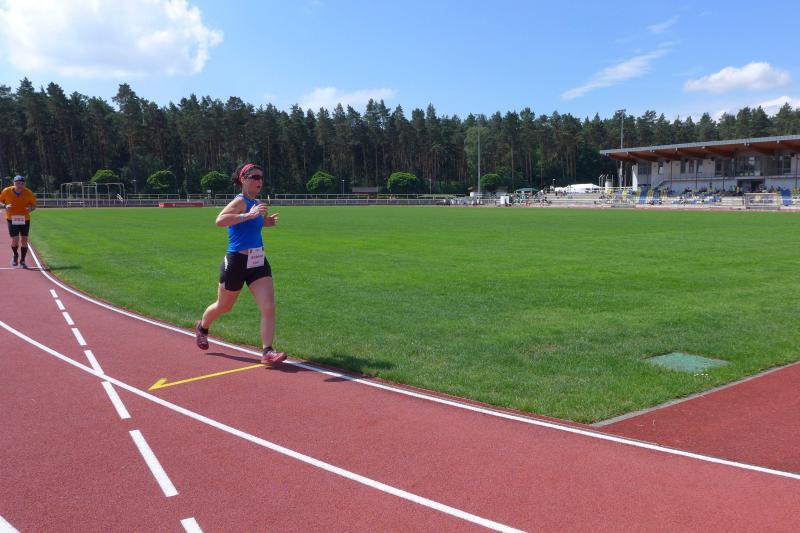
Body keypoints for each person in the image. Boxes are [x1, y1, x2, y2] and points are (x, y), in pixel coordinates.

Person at [194, 163, 286, 364]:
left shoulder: (258, 203)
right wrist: (249, 215)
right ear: (243, 179)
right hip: (237, 261)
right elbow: (220, 220)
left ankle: (267, 351)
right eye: (255, 177)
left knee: (268, 306)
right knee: (224, 306)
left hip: (257, 260)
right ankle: (202, 327)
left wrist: (265, 222)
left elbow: (251, 226)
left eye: (261, 177)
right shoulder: (240, 201)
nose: (259, 181)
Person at [0, 175, 37, 267]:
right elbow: (0, 201)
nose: (19, 185)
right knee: (15, 240)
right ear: (14, 183)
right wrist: (5, 206)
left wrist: (30, 209)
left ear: (24, 184)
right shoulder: (6, 191)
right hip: (11, 218)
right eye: (17, 183)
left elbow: (34, 205)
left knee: (24, 240)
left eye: (21, 183)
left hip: (25, 218)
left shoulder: (28, 192)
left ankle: (23, 261)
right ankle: (15, 254)